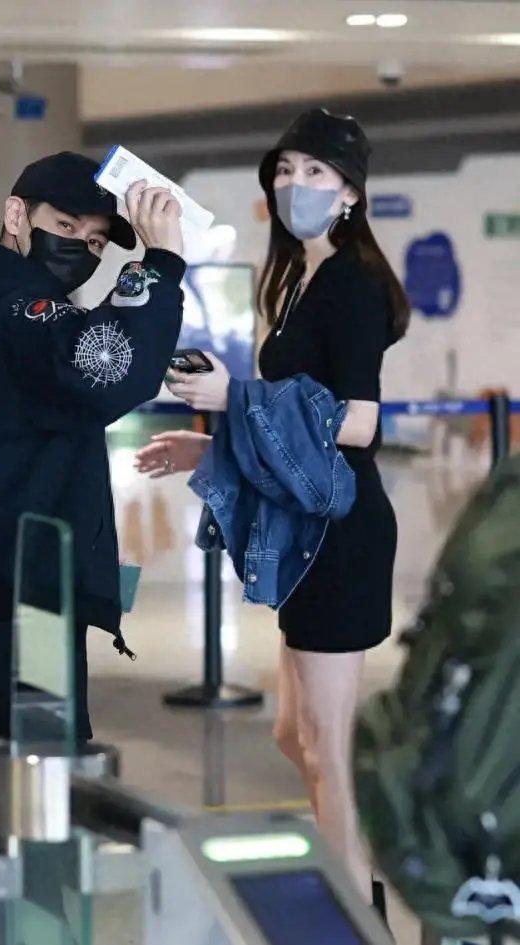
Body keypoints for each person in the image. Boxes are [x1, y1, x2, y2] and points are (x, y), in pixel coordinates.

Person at [136, 109, 409, 910]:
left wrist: (236, 397)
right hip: (308, 532)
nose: (296, 184)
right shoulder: (299, 282)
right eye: (285, 170)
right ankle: (361, 862)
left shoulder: (351, 284)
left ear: (351, 192)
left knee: (324, 747)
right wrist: (211, 446)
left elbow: (359, 424)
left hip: (340, 535)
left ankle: (358, 911)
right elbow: (293, 428)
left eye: (315, 171)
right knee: (298, 735)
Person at [0, 151, 185, 742]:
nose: (78, 247)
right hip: (20, 591)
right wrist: (164, 262)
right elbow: (103, 368)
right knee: (42, 758)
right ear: (16, 216)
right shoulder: (13, 305)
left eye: (95, 240)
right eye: (65, 225)